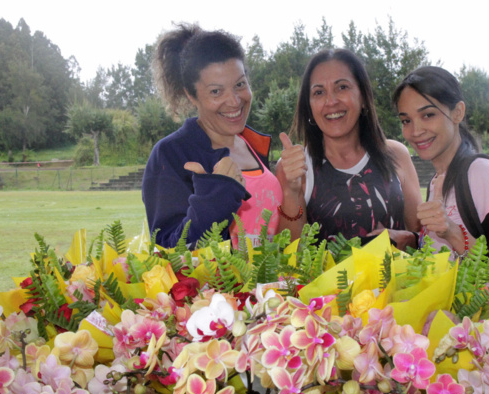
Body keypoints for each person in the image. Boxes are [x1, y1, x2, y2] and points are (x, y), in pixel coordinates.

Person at [142, 23, 282, 248]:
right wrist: (215, 197)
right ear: (191, 96)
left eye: (239, 84)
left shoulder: (254, 145)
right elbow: (167, 250)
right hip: (220, 285)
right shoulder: (171, 154)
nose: (234, 101)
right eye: (216, 91)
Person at [276, 49, 422, 250]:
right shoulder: (296, 167)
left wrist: (410, 238)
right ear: (309, 106)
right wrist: (291, 192)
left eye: (342, 87)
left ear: (362, 97)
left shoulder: (396, 155)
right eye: (319, 92)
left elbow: (422, 236)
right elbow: (288, 255)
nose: (331, 101)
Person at [392, 66, 489, 257]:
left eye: (428, 115)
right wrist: (411, 239)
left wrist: (451, 232)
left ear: (457, 112)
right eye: (406, 120)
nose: (415, 131)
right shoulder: (437, 181)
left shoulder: (480, 173)